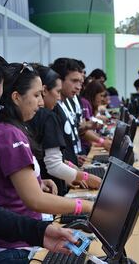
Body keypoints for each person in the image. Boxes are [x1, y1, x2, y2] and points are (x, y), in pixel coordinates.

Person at [0, 63, 93, 263]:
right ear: (17, 97)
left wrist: (37, 181)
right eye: (36, 95)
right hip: (10, 248)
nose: (40, 102)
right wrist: (87, 206)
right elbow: (35, 200)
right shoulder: (8, 134)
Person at [28, 65, 101, 196]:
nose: (59, 97)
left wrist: (69, 167)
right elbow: (53, 164)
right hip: (50, 193)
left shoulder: (35, 116)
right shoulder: (47, 116)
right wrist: (84, 177)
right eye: (58, 92)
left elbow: (45, 155)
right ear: (45, 90)